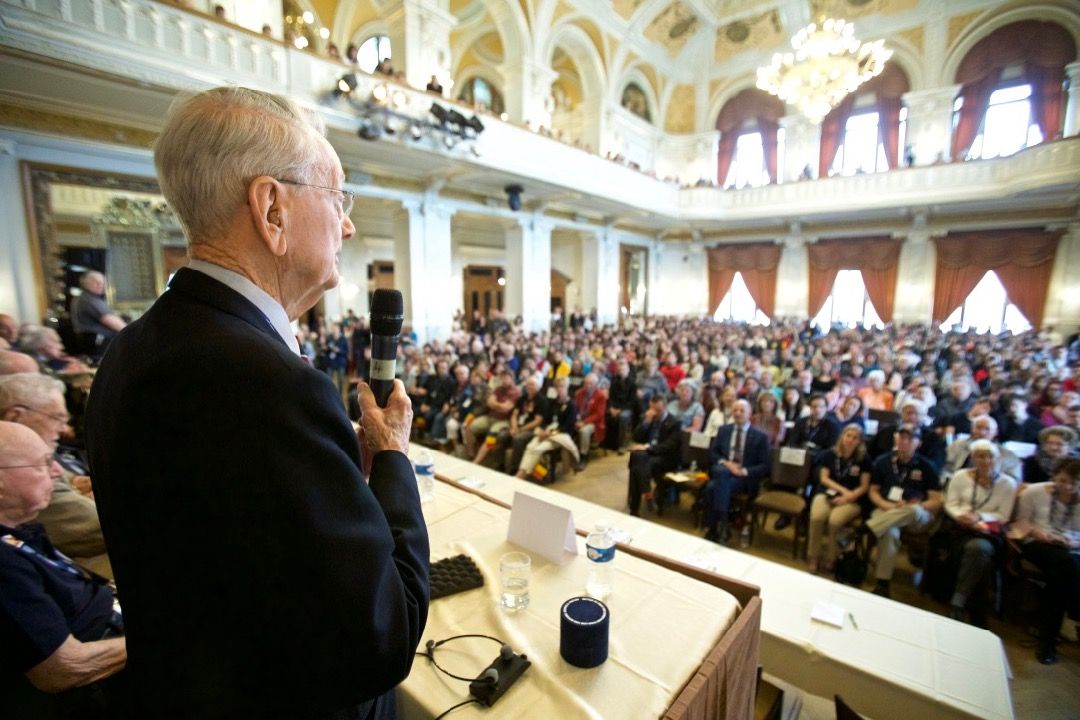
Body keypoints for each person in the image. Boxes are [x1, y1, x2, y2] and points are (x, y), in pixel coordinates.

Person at [83, 87, 429, 719]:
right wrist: (391, 459)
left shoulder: (130, 350)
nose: (348, 224)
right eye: (337, 196)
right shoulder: (267, 385)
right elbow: (384, 637)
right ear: (272, 208)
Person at [0, 421, 126, 717]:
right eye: (44, 463)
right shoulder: (4, 565)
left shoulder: (16, 535)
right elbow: (63, 669)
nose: (58, 472)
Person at [0, 374, 110, 577]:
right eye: (57, 418)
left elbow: (82, 482)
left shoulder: (31, 459)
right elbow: (105, 526)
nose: (65, 429)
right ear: (15, 416)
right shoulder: (15, 466)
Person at [933, 440, 1016, 627]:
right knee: (978, 555)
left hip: (987, 532)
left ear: (997, 459)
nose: (985, 460)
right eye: (980, 456)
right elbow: (950, 503)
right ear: (972, 458)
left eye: (990, 456)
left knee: (979, 549)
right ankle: (976, 606)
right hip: (958, 526)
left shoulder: (1007, 483)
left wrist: (979, 517)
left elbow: (1003, 515)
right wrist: (962, 517)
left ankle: (958, 600)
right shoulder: (961, 476)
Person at [1012, 457, 1080, 664]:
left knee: (1060, 576)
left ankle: (1047, 639)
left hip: (1072, 547)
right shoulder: (1035, 492)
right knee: (1070, 566)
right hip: (1037, 542)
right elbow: (1020, 523)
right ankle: (1075, 615)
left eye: (1073, 483)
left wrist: (1072, 543)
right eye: (1062, 480)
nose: (1066, 487)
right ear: (1054, 476)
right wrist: (1041, 534)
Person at [865, 423, 942, 598]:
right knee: (890, 532)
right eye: (901, 437)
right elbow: (874, 492)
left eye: (909, 438)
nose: (904, 441)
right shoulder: (883, 461)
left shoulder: (926, 466)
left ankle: (868, 527)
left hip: (917, 515)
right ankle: (882, 584)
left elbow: (936, 501)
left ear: (918, 443)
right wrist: (890, 507)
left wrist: (913, 506)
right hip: (887, 509)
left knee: (913, 510)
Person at [702, 399, 771, 543]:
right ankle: (723, 524)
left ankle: (714, 526)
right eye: (735, 410)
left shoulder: (761, 437)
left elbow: (765, 465)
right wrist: (727, 464)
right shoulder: (724, 430)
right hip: (724, 470)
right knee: (722, 473)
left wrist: (743, 471)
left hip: (743, 478)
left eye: (742, 411)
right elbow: (713, 453)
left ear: (749, 413)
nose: (738, 414)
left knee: (711, 487)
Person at [807, 425, 872, 574]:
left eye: (855, 438)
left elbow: (864, 486)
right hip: (827, 493)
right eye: (848, 435)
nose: (850, 440)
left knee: (834, 521)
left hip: (853, 499)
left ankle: (832, 558)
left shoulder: (864, 459)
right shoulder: (830, 454)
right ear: (842, 436)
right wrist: (843, 492)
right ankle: (813, 556)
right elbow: (824, 478)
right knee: (817, 517)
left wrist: (848, 497)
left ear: (860, 441)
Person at [71, 271, 126, 357]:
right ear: (85, 283)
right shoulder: (89, 300)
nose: (100, 285)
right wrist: (134, 333)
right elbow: (117, 325)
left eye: (102, 282)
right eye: (95, 282)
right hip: (99, 345)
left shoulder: (86, 298)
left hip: (95, 343)